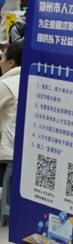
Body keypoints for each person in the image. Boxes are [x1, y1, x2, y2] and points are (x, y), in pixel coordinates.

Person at [0, 42, 22, 186]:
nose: (0, 62)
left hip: (9, 154)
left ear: (11, 62)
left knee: (7, 196)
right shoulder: (33, 80)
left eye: (2, 58)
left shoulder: (6, 84)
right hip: (26, 151)